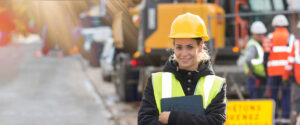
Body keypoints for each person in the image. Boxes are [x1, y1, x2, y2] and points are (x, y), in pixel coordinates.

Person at [138, 13, 227, 125]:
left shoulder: (216, 85)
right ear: (173, 46)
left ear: (200, 46)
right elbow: (144, 121)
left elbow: (215, 122)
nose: (184, 54)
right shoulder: (156, 81)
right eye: (179, 47)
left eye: (189, 47)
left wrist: (173, 117)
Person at [267, 14, 295, 125]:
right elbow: (293, 55)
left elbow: (266, 54)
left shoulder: (270, 36)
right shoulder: (291, 37)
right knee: (286, 95)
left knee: (273, 95)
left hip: (272, 72)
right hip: (286, 73)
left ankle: (273, 119)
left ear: (274, 25)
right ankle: (285, 120)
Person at [244, 21, 267, 99]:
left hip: (259, 76)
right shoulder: (253, 46)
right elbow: (248, 59)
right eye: (259, 34)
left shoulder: (258, 44)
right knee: (257, 98)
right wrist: (251, 71)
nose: (261, 36)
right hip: (255, 77)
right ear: (253, 34)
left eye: (262, 34)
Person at [283, 21, 300, 125]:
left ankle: (297, 117)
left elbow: (289, 63)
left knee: (297, 99)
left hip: (298, 79)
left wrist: (285, 77)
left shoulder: (297, 44)